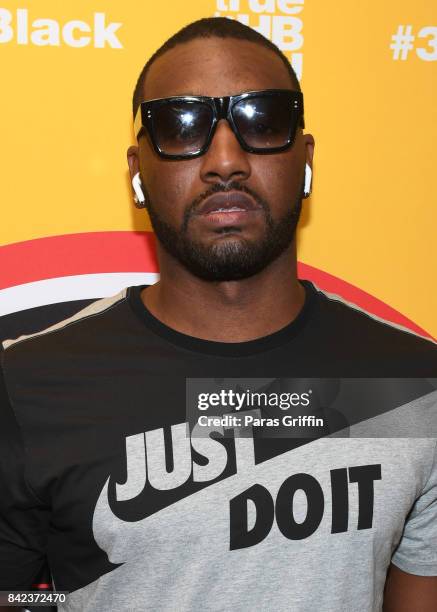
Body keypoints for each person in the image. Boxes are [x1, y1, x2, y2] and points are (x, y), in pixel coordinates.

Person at [1, 16, 436, 612]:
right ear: (138, 173)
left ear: (305, 158)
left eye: (263, 119)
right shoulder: (28, 383)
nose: (225, 159)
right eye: (181, 125)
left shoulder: (416, 384)